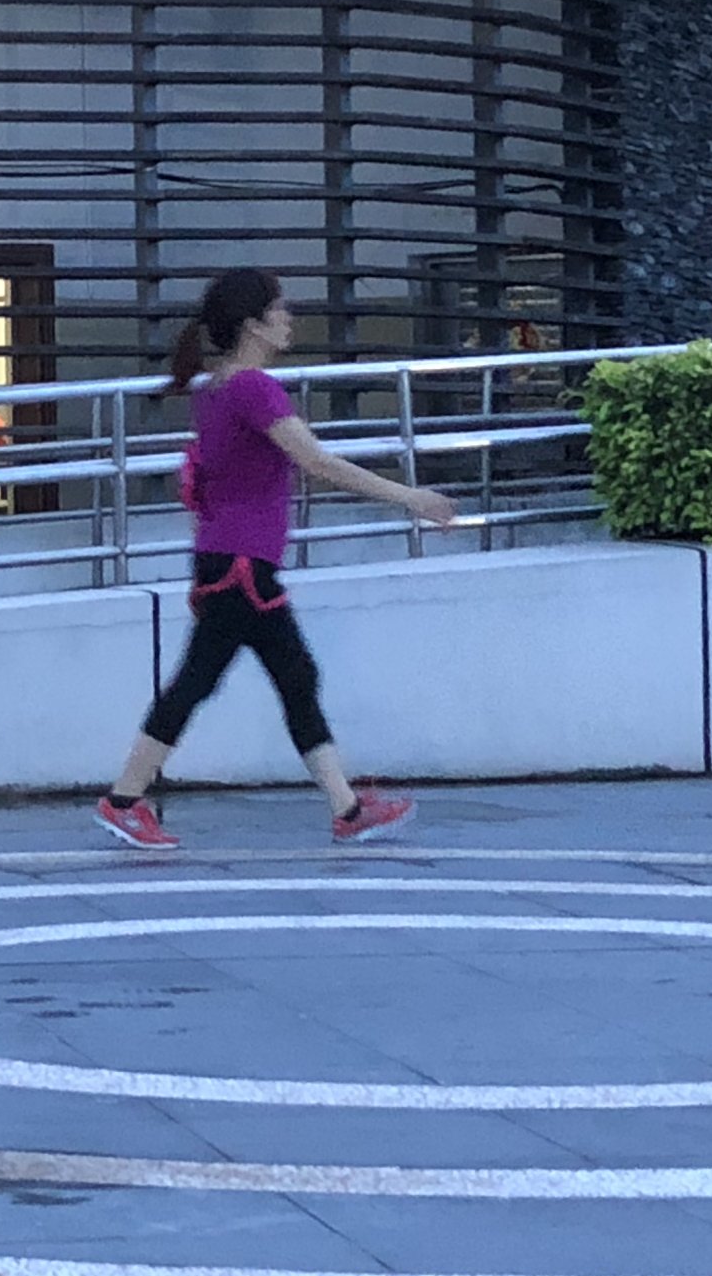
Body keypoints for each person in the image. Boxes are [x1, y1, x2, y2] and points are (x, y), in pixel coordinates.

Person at [95, 270, 457, 850]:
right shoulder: (254, 390)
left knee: (278, 676)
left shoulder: (215, 392)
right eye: (281, 309)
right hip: (243, 566)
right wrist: (411, 497)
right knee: (226, 680)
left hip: (227, 561)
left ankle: (344, 807)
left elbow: (207, 483)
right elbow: (318, 462)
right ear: (254, 324)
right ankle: (125, 801)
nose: (290, 319)